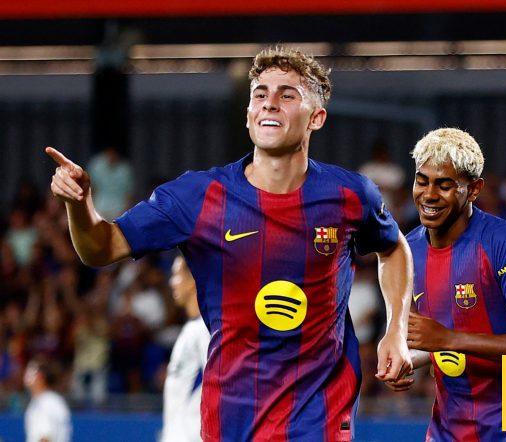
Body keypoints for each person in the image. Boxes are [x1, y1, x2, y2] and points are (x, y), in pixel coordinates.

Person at [45, 46, 413, 441]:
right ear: (249, 113)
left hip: (319, 419)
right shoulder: (197, 196)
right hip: (231, 421)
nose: (270, 103)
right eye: (260, 94)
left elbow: (393, 248)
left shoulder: (349, 195)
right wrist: (80, 206)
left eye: (287, 94)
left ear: (316, 118)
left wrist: (396, 330)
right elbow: (101, 249)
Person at [386, 128, 506, 441]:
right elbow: (433, 339)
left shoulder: (504, 242)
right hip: (448, 430)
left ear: (474, 189)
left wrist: (450, 339)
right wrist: (408, 359)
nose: (429, 195)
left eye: (444, 185)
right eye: (422, 181)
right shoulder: (409, 250)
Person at [161, 255, 210, 442]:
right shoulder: (191, 329)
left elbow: (218, 385)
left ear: (192, 281)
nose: (172, 282)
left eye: (176, 275)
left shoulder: (206, 330)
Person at [24, 359, 72, 442]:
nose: (26, 376)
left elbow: (45, 437)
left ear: (40, 376)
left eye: (30, 373)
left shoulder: (47, 402)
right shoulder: (45, 400)